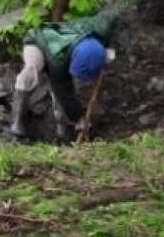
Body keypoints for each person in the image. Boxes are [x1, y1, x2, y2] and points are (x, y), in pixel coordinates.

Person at [10, 9, 122, 141]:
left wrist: (112, 46)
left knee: (60, 96)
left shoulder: (100, 28)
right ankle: (18, 122)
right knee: (31, 70)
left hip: (61, 45)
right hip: (38, 39)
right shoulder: (59, 62)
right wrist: (79, 117)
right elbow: (64, 92)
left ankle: (62, 133)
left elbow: (112, 15)